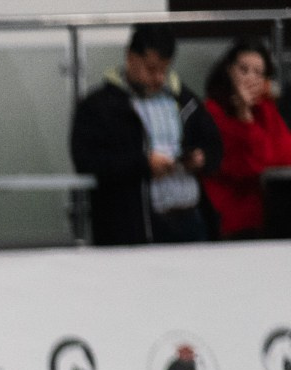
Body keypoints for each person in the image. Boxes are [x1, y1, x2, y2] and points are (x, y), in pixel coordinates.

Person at [70, 24, 223, 246]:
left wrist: (201, 157)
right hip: (134, 226)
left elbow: (214, 144)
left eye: (165, 69)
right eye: (151, 69)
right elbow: (87, 161)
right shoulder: (99, 106)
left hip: (191, 217)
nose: (159, 78)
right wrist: (144, 164)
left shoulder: (185, 99)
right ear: (130, 57)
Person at [201, 39, 291, 240]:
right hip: (228, 222)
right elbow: (250, 166)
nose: (251, 78)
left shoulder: (265, 108)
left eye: (258, 73)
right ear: (229, 70)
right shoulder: (212, 112)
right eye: (244, 70)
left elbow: (284, 156)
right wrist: (244, 115)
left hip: (265, 216)